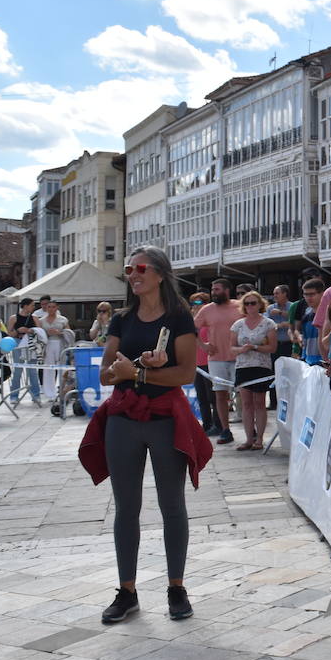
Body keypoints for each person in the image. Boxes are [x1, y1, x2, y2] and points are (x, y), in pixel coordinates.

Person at [78, 246, 212, 626]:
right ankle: (127, 590)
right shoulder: (121, 318)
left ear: (159, 274)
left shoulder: (179, 317)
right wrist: (137, 367)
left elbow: (185, 374)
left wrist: (138, 373)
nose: (132, 275)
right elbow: (106, 374)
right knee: (125, 507)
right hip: (123, 418)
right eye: (128, 269)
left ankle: (176, 587)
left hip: (165, 417)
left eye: (140, 268)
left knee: (172, 504)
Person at [195, 279, 242, 445]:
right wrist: (203, 345)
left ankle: (252, 430)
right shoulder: (207, 310)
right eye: (212, 289)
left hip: (240, 358)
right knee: (220, 396)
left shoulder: (240, 305)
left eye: (217, 289)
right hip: (216, 359)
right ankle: (225, 430)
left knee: (246, 395)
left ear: (227, 290)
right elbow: (192, 329)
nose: (213, 292)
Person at [228, 291, 275, 451]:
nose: (250, 306)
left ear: (260, 304)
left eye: (253, 303)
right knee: (246, 404)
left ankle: (260, 439)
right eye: (247, 303)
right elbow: (232, 347)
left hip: (261, 366)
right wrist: (241, 350)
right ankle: (249, 438)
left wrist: (255, 347)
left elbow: (272, 347)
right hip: (243, 366)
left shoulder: (268, 323)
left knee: (259, 403)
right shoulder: (238, 325)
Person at [188, 292, 217, 435]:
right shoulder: (192, 323)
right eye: (193, 303)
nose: (195, 306)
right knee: (202, 397)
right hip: (196, 364)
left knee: (213, 396)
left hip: (210, 362)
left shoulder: (209, 322)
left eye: (198, 303)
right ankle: (207, 424)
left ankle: (218, 425)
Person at [35, 296, 70, 412]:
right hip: (48, 344)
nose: (50, 309)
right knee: (48, 368)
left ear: (57, 308)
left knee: (62, 366)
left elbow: (69, 333)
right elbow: (38, 334)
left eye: (53, 307)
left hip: (60, 343)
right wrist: (46, 334)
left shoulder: (63, 320)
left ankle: (62, 389)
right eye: (48, 307)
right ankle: (49, 392)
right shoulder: (41, 320)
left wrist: (59, 333)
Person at [7, 297, 43, 405]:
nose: (33, 307)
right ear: (26, 306)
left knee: (32, 370)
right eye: (32, 305)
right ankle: (14, 395)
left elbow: (40, 332)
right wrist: (18, 330)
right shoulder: (14, 318)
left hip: (31, 344)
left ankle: (36, 395)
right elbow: (9, 333)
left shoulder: (35, 318)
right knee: (18, 370)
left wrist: (28, 330)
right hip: (18, 342)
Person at [296, 278, 325, 366]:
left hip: (325, 364)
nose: (308, 298)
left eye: (312, 294)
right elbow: (305, 345)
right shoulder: (306, 317)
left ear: (322, 294)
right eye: (306, 294)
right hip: (309, 364)